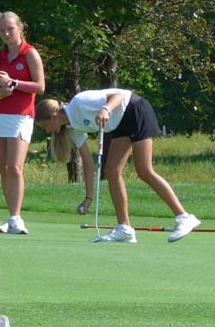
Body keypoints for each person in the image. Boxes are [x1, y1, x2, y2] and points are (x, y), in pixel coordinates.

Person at [36, 89, 201, 243]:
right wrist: (88, 198)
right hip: (121, 123)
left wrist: (106, 109)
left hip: (134, 109)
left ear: (53, 116)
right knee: (111, 171)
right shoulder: (73, 128)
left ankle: (184, 217)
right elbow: (87, 162)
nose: (47, 130)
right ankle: (125, 228)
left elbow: (120, 95)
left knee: (144, 171)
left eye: (45, 126)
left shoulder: (79, 102)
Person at [0, 11, 45, 235]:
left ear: (20, 28)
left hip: (22, 115)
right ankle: (11, 217)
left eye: (10, 28)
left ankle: (17, 218)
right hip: (0, 115)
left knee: (15, 167)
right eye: (2, 30)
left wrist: (14, 82)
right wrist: (0, 93)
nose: (6, 33)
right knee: (5, 169)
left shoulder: (30, 54)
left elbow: (40, 87)